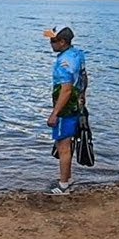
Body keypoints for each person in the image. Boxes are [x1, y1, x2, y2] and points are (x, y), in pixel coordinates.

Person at [44, 26, 87, 194]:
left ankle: (63, 185)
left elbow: (67, 89)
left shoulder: (64, 62)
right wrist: (83, 95)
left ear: (62, 42)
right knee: (67, 143)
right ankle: (67, 178)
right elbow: (84, 77)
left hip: (65, 109)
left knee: (63, 146)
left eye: (53, 41)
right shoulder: (78, 54)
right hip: (76, 105)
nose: (50, 43)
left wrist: (55, 113)